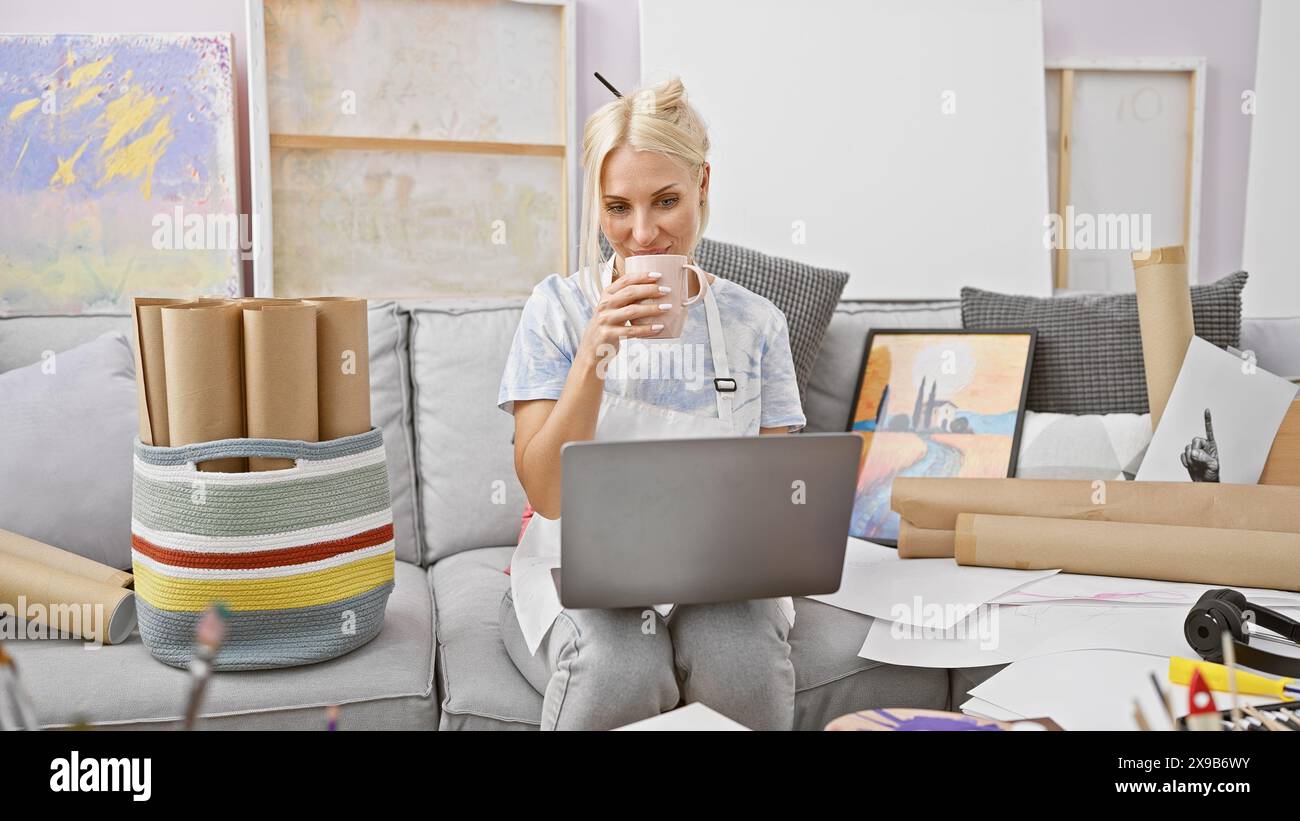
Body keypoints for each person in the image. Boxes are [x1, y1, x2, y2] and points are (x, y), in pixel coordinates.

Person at [495, 76, 807, 730]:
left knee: (743, 664)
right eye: (617, 207)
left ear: (703, 185)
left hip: (717, 576)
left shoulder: (758, 324)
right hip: (576, 572)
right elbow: (547, 492)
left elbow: (782, 500)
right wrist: (594, 355)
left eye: (665, 200)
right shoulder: (556, 310)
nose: (641, 234)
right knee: (618, 666)